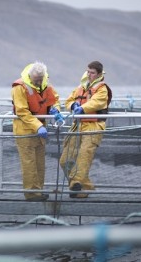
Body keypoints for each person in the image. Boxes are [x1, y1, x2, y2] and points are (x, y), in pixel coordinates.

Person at [59, 61, 112, 198]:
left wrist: (83, 108)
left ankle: (76, 185)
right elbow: (68, 101)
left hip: (93, 126)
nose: (89, 74)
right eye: (88, 71)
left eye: (92, 72)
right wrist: (72, 106)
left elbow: (98, 102)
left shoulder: (102, 88)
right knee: (65, 160)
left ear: (99, 74)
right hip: (78, 126)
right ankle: (84, 187)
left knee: (84, 157)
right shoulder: (80, 87)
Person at [11, 61, 61, 201]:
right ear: (30, 76)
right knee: (29, 163)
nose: (39, 82)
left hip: (41, 130)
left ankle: (39, 190)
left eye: (41, 79)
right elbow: (22, 111)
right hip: (25, 130)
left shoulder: (46, 84)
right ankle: (32, 193)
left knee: (39, 162)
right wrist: (37, 125)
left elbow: (55, 99)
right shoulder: (19, 87)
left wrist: (55, 109)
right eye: (36, 80)